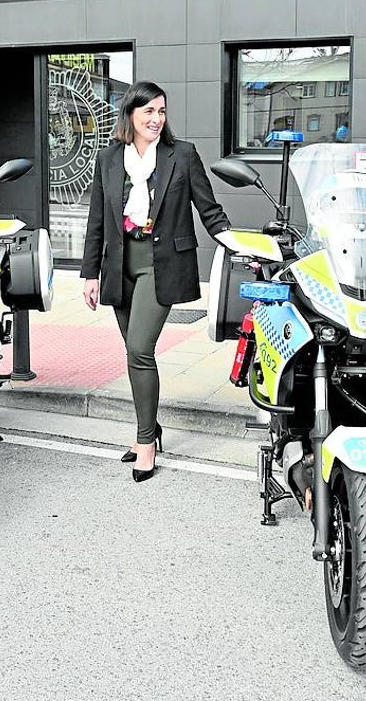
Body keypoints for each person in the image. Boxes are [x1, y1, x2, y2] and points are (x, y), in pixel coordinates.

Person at [81, 81, 230, 482]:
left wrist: (235, 243)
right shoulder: (108, 158)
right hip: (119, 266)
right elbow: (97, 220)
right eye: (148, 111)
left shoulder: (182, 155)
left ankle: (146, 441)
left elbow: (209, 209)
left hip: (159, 265)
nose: (156, 119)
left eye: (161, 111)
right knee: (134, 356)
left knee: (139, 349)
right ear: (130, 114)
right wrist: (88, 274)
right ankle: (150, 426)